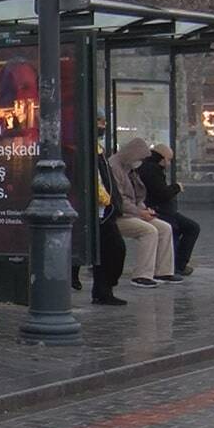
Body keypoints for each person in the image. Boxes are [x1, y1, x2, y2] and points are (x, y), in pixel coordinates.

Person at [108, 138, 183, 288]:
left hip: (133, 212)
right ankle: (142, 275)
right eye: (140, 158)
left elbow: (137, 196)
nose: (141, 162)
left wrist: (144, 209)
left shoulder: (130, 168)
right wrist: (140, 213)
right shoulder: (115, 167)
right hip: (117, 215)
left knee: (164, 228)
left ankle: (163, 271)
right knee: (149, 231)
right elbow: (119, 199)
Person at [138, 144, 200, 277]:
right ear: (163, 159)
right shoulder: (152, 170)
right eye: (169, 159)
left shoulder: (149, 168)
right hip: (157, 211)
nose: (169, 163)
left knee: (187, 227)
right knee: (185, 228)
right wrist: (176, 187)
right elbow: (162, 193)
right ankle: (176, 266)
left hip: (159, 210)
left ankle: (176, 265)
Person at [91, 112, 127, 305]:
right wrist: (106, 200)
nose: (103, 126)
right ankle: (103, 290)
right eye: (99, 122)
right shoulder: (89, 149)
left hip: (107, 209)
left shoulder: (98, 149)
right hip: (100, 209)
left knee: (111, 250)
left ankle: (104, 289)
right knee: (113, 248)